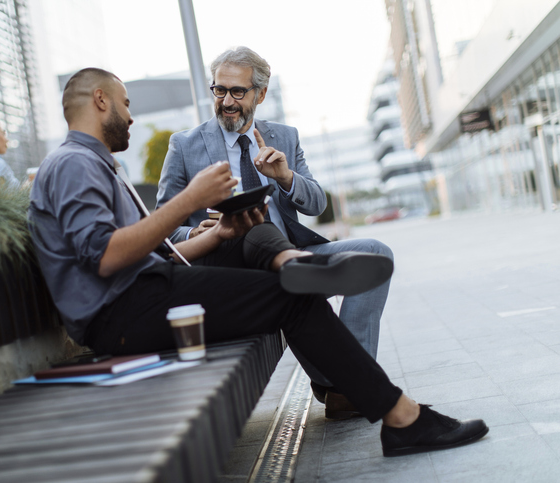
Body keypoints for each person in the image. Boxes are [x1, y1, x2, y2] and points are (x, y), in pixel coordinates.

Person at [27, 67, 488, 457]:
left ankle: (288, 260)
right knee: (292, 300)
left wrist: (222, 232)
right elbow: (106, 257)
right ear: (101, 100)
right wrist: (190, 199)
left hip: (148, 291)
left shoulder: (94, 164)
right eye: (126, 104)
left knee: (248, 232)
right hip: (125, 314)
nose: (131, 116)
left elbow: (151, 255)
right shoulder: (72, 164)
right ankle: (402, 418)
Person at [156, 46, 392, 418]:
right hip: (231, 267)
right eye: (220, 90)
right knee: (284, 280)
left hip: (293, 254)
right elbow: (163, 226)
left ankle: (341, 385)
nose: (227, 101)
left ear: (260, 94)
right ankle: (350, 384)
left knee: (376, 252)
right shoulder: (185, 145)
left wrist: (285, 177)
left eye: (238, 92)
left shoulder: (284, 136)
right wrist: (195, 232)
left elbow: (315, 204)